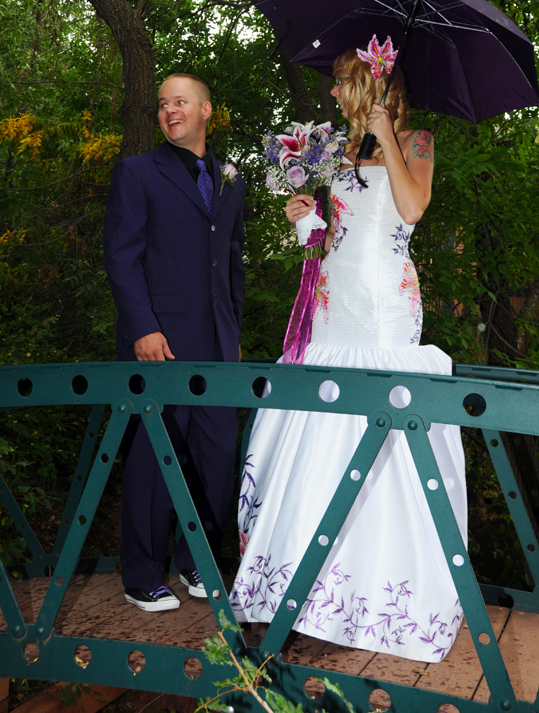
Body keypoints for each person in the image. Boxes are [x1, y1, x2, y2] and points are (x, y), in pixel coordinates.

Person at [230, 38, 467, 662]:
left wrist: (387, 134)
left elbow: (411, 209)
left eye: (341, 82)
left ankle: (362, 592)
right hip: (334, 309)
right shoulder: (335, 150)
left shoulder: (417, 142)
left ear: (370, 84)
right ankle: (298, 594)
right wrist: (304, 220)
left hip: (386, 306)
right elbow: (336, 234)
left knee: (373, 435)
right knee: (320, 436)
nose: (333, 92)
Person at [103, 73, 245, 612]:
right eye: (162, 104)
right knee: (153, 455)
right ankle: (141, 574)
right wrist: (141, 326)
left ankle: (196, 562)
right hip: (159, 341)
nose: (169, 111)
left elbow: (230, 265)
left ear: (207, 109)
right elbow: (121, 258)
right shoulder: (137, 173)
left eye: (180, 102)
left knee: (216, 456)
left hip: (217, 346)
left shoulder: (233, 179)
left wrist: (232, 334)